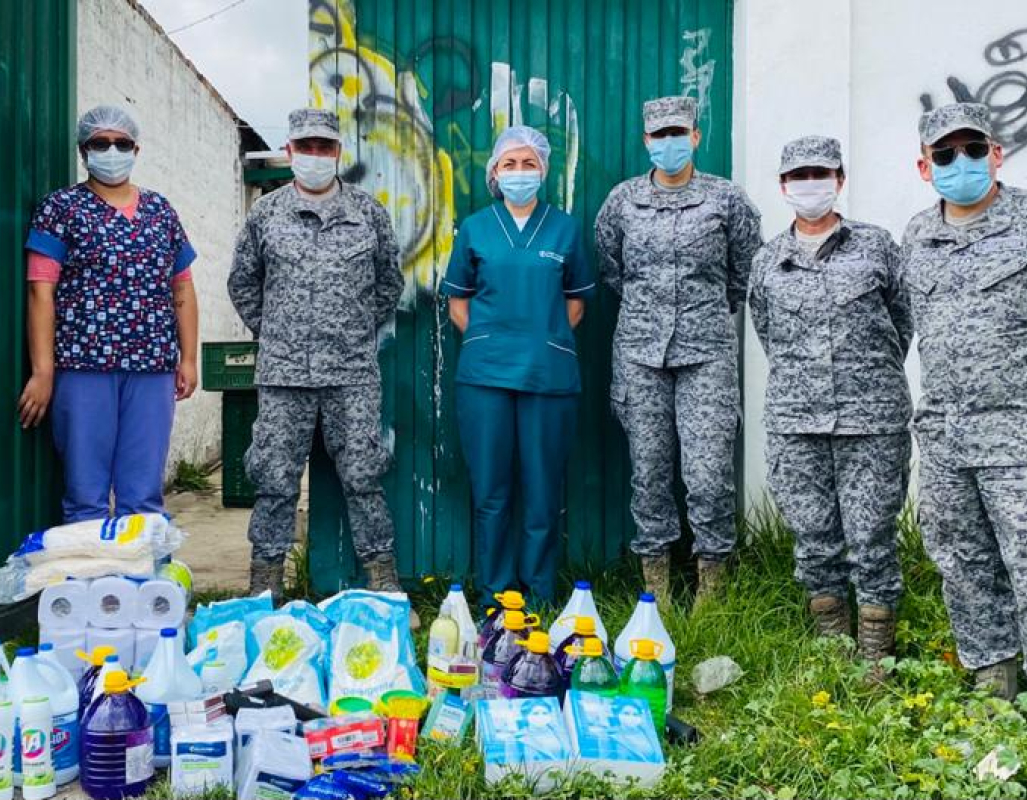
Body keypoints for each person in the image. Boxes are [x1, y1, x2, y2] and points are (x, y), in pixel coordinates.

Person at [228, 109, 409, 621]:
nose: (314, 156)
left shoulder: (367, 214)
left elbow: (387, 285)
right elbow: (243, 282)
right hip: (283, 375)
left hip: (351, 372)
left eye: (324, 147)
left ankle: (384, 583)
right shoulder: (267, 214)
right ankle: (264, 592)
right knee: (275, 478)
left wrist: (350, 331)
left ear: (337, 153)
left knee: (363, 474)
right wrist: (279, 332)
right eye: (305, 147)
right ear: (289, 151)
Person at [748, 136, 912, 664]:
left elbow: (902, 320)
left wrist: (866, 375)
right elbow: (766, 329)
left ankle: (874, 659)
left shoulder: (878, 246)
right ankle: (831, 649)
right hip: (796, 421)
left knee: (872, 538)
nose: (809, 184)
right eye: (798, 176)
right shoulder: (768, 260)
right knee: (814, 538)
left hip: (873, 419)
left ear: (840, 180)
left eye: (820, 174)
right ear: (782, 186)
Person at [595, 96, 762, 607]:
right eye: (658, 134)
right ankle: (657, 595)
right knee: (648, 473)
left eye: (677, 132)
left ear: (695, 136)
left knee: (709, 475)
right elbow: (612, 269)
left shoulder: (727, 200)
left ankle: (712, 591)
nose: (668, 142)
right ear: (646, 141)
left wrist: (700, 312)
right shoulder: (622, 202)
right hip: (640, 356)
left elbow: (745, 272)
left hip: (706, 354)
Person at [19, 105, 200, 523]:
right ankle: (91, 584)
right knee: (86, 494)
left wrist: (188, 358)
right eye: (100, 143)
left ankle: (146, 582)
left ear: (136, 148)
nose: (112, 150)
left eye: (121, 142)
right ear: (84, 151)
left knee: (144, 494)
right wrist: (43, 371)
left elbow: (183, 288)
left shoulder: (160, 211)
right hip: (84, 366)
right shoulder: (61, 208)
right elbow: (39, 291)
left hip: (152, 365)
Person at [440, 125, 595, 608]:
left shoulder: (564, 228)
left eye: (529, 164)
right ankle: (496, 597)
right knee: (491, 490)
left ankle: (541, 594)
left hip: (548, 376)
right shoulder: (476, 229)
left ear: (543, 170)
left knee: (543, 489)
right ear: (495, 173)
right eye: (510, 164)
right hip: (485, 376)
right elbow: (457, 303)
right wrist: (490, 341)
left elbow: (577, 302)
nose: (520, 173)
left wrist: (543, 339)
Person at [902, 102, 1027, 700]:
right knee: (962, 558)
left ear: (996, 155)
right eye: (945, 154)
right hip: (945, 433)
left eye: (973, 149)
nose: (962, 162)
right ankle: (993, 675)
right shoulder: (916, 236)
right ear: (925, 168)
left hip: (1016, 431)